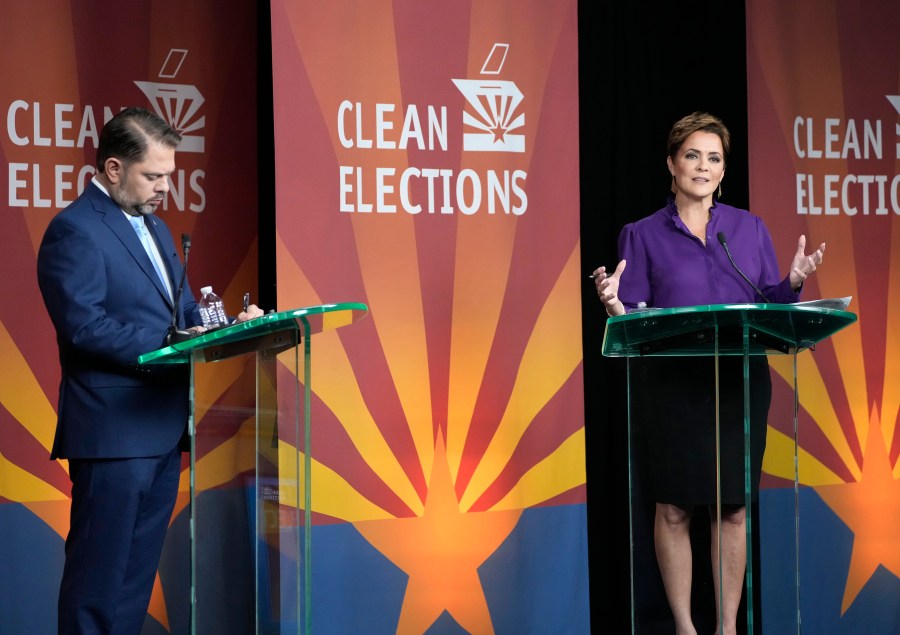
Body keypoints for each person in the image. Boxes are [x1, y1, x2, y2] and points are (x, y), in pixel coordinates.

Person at [592, 111, 825, 635]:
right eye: (692, 155)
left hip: (739, 383)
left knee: (734, 509)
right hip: (673, 386)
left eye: (713, 158)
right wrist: (614, 306)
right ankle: (684, 628)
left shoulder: (748, 229)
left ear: (724, 171)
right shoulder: (642, 234)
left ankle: (725, 628)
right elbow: (634, 318)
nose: (703, 166)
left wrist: (792, 281)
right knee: (674, 507)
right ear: (671, 163)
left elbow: (767, 300)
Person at [37, 106, 263, 635]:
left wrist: (234, 325)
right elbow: (84, 326)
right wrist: (167, 341)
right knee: (99, 580)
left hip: (163, 430)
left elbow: (181, 318)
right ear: (113, 169)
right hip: (112, 432)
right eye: (154, 175)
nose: (165, 187)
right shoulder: (73, 230)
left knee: (134, 580)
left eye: (168, 175)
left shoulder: (158, 229)